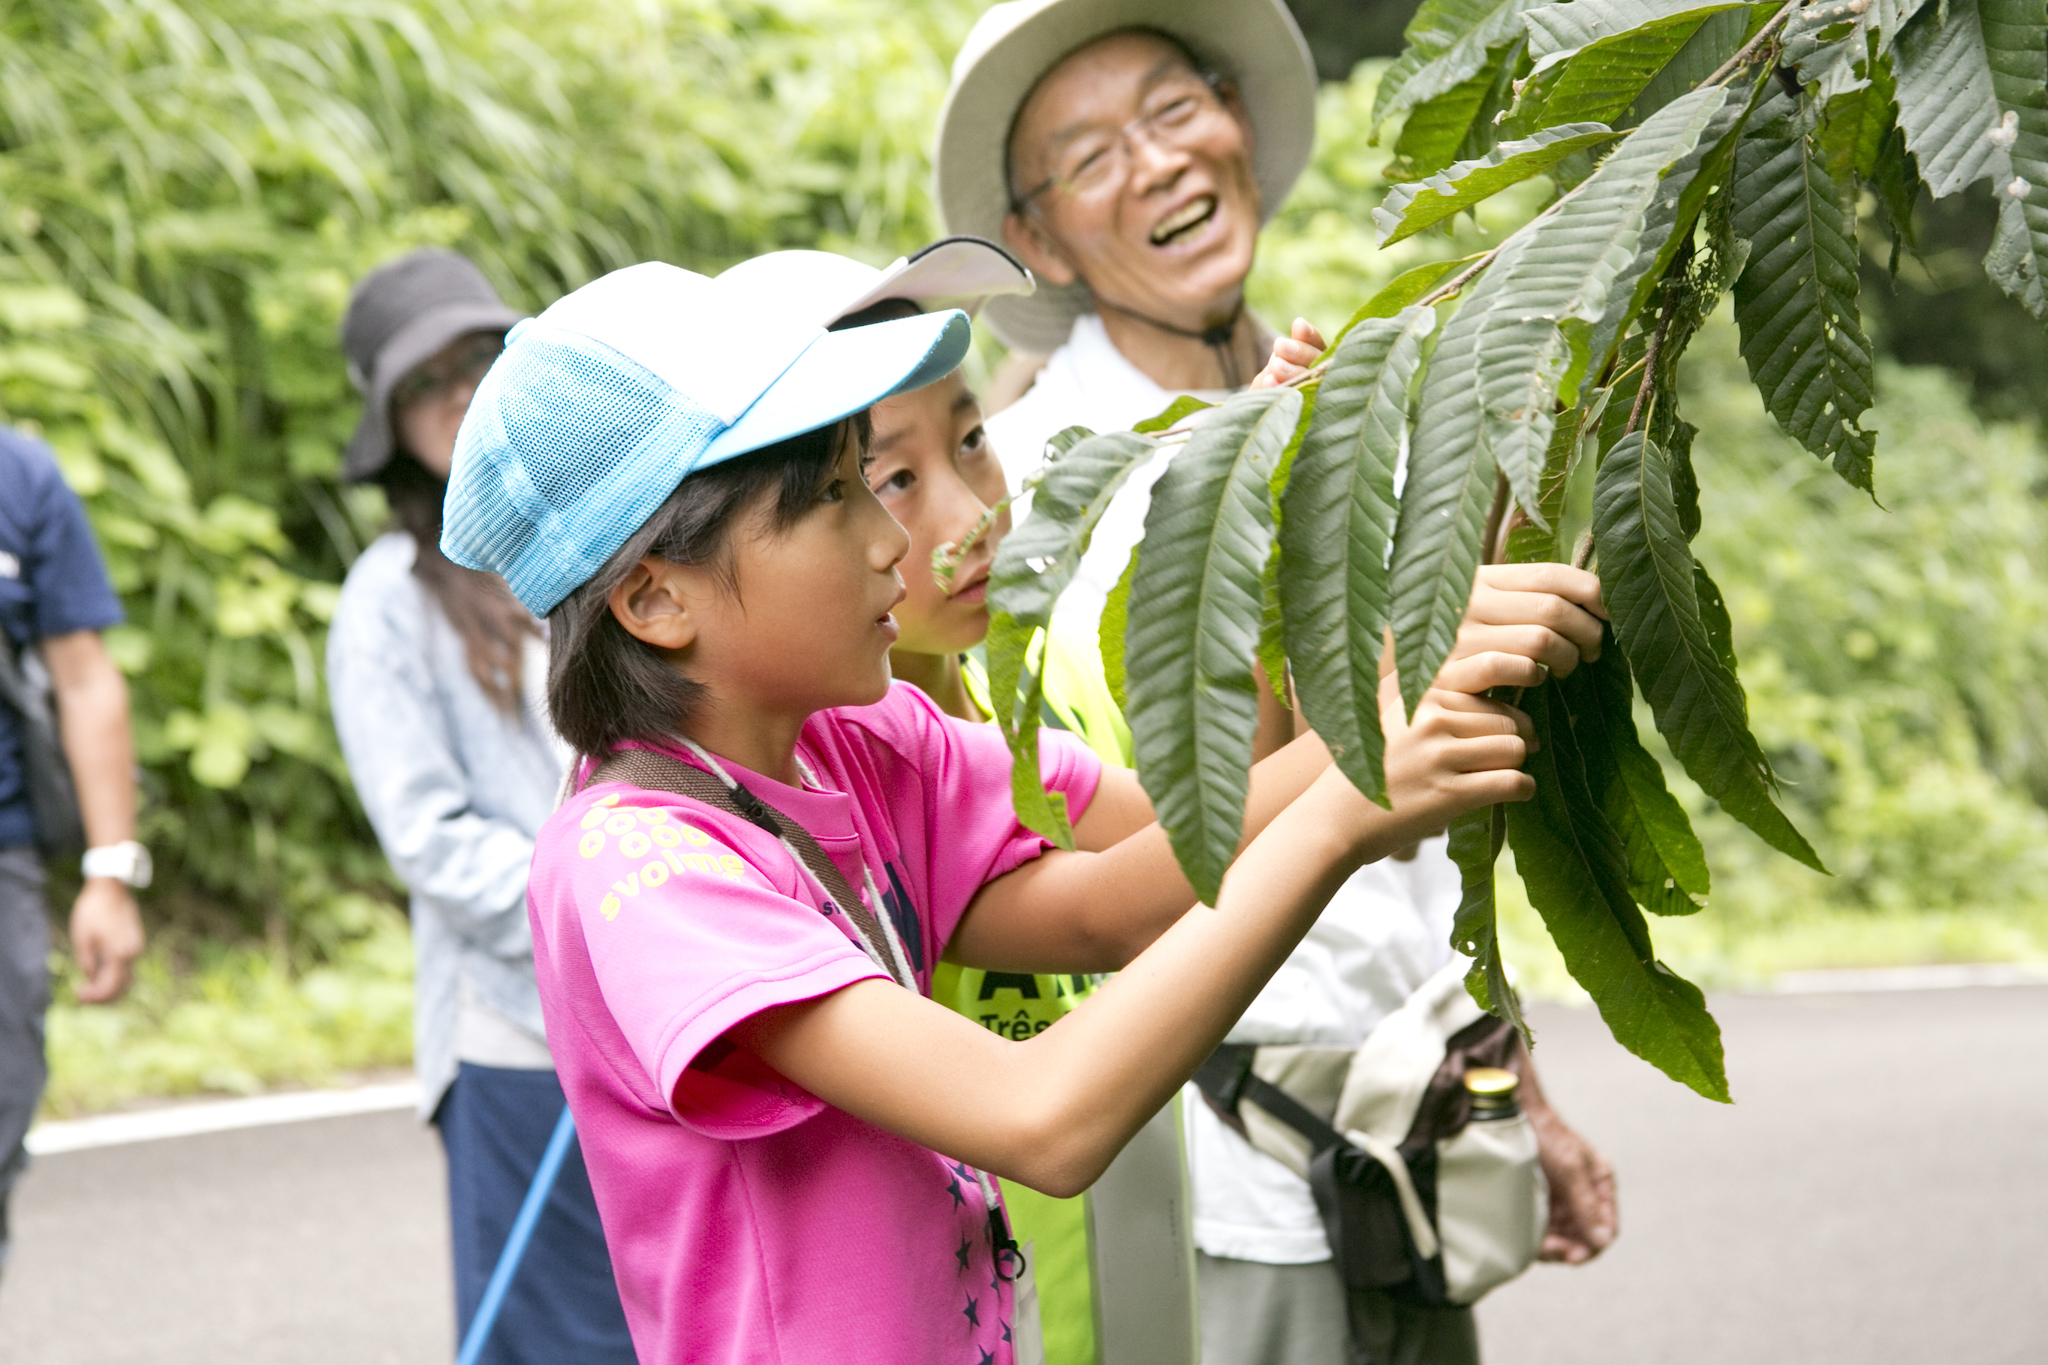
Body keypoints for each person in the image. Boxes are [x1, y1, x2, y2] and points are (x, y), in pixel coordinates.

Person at [435, 255, 1606, 1364]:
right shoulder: (642, 868)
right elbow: (1040, 1116)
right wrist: (1349, 805)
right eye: (839, 494)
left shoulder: (856, 740)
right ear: (654, 596)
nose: (894, 536)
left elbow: (1122, 891)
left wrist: (1393, 686)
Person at [934, 3, 1619, 1361]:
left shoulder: (1370, 420)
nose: (1157, 161)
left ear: (1238, 119)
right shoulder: (1020, 496)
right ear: (1039, 237)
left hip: (1416, 1134)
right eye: (1090, 152)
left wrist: (1513, 1084)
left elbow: (1433, 825)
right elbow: (1153, 845)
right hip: (1215, 1184)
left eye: (1175, 108)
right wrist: (1261, 568)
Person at [324, 248, 636, 1363]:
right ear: (392, 424)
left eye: (477, 359)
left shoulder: (592, 547)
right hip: (519, 1041)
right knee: (557, 1342)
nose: (459, 391)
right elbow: (430, 840)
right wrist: (599, 910)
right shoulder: (386, 609)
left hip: (657, 1013)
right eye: (424, 382)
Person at [0, 426, 147, 1274]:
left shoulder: (20, 477)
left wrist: (109, 871)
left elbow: (84, 676)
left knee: (5, 1100)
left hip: (5, 852)